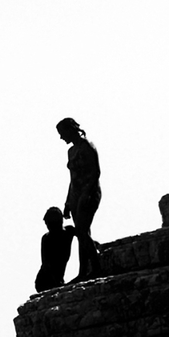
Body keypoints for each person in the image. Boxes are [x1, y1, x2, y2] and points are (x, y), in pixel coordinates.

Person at [57, 118, 101, 280]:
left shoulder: (87, 147)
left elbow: (95, 172)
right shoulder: (71, 151)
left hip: (89, 192)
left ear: (71, 130)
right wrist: (68, 202)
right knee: (82, 232)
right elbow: (72, 179)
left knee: (82, 231)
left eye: (62, 133)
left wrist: (87, 194)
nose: (61, 138)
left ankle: (96, 266)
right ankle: (83, 271)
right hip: (75, 194)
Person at [35, 207, 73, 292]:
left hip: (57, 279)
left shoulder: (69, 231)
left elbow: (84, 237)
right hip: (44, 281)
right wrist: (57, 283)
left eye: (50, 224)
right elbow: (46, 264)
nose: (48, 227)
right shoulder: (46, 238)